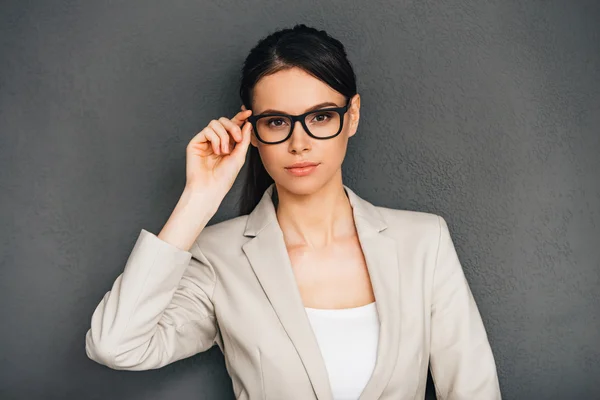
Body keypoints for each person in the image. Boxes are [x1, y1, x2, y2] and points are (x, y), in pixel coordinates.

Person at [85, 24, 502, 400]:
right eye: (277, 122)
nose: (299, 143)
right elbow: (115, 345)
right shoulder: (219, 259)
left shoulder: (424, 242)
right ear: (252, 131)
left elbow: (474, 390)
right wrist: (199, 197)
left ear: (351, 115)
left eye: (320, 117)